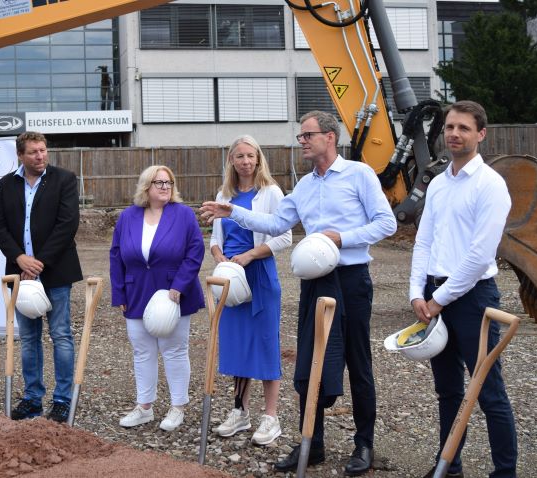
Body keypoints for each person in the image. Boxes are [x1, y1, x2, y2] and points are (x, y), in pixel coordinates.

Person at [200, 111, 396, 476]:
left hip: (351, 279)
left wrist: (342, 238)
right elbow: (276, 224)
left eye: (307, 135)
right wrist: (233, 212)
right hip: (314, 282)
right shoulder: (304, 186)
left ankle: (364, 444)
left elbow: (387, 223)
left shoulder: (359, 174)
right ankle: (312, 443)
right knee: (309, 362)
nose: (301, 141)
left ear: (329, 137)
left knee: (357, 361)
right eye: (301, 136)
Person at [409, 100, 517, 478]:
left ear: (480, 134)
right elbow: (423, 242)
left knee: (488, 392)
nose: (454, 134)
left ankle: (505, 473)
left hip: (473, 299)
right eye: (450, 127)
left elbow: (479, 256)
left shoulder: (491, 186)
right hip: (434, 296)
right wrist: (416, 294)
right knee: (449, 392)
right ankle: (448, 466)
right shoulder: (438, 184)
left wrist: (438, 300)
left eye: (464, 128)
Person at [0, 131, 83, 423]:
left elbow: (67, 224)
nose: (40, 156)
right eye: (33, 152)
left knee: (61, 335)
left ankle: (62, 400)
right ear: (20, 155)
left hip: (54, 271)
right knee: (29, 339)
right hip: (20, 273)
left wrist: (39, 262)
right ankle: (32, 398)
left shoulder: (64, 179)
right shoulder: (6, 184)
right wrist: (20, 258)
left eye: (43, 150)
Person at [209, 136, 291, 445]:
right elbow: (215, 238)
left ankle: (270, 416)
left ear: (258, 159)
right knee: (236, 343)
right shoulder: (224, 194)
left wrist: (250, 255)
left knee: (266, 342)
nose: (245, 161)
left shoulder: (270, 193)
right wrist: (219, 257)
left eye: (250, 156)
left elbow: (285, 237)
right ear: (231, 160)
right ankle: (239, 411)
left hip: (258, 274)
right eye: (239, 156)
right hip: (231, 276)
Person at [110, 165, 205, 432]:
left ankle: (177, 407)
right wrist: (119, 292)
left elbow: (195, 251)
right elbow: (116, 256)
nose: (165, 187)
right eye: (159, 182)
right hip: (136, 291)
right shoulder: (128, 217)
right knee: (142, 351)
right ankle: (144, 407)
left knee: (174, 350)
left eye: (169, 182)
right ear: (146, 187)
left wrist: (180, 286)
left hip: (174, 294)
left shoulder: (184, 215)